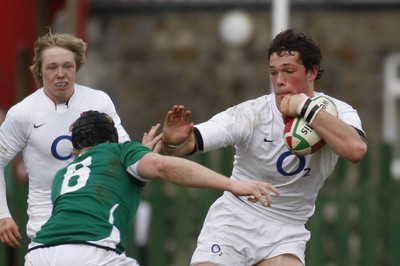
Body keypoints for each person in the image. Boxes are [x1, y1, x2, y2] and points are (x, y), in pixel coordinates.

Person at [161, 29, 368, 266]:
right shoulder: (251, 114)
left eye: (289, 71)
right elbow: (188, 143)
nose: (279, 81)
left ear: (312, 71)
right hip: (235, 220)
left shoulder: (337, 111)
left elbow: (356, 150)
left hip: (287, 229)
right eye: (273, 72)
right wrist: (174, 141)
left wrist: (305, 108)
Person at [24, 110, 279, 266]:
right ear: (113, 137)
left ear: (76, 147)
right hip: (91, 252)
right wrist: (232, 184)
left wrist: (140, 156)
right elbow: (162, 167)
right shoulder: (121, 151)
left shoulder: (63, 174)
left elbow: (111, 190)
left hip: (39, 253)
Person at [0, 31, 135, 249]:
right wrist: (3, 215)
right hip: (46, 232)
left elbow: (123, 151)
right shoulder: (23, 113)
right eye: (52, 67)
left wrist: (152, 151)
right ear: (40, 70)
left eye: (67, 66)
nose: (60, 74)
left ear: (77, 67)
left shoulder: (98, 101)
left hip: (95, 227)